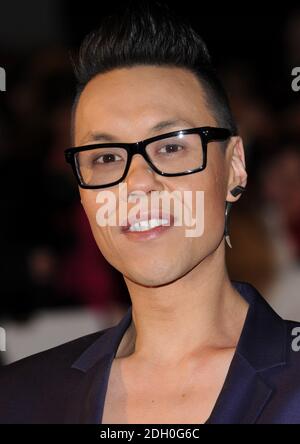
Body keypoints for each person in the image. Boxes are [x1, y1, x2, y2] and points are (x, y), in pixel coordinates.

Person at [1, 1, 300, 424]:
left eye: (171, 146)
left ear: (234, 166)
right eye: (105, 157)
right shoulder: (22, 397)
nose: (136, 183)